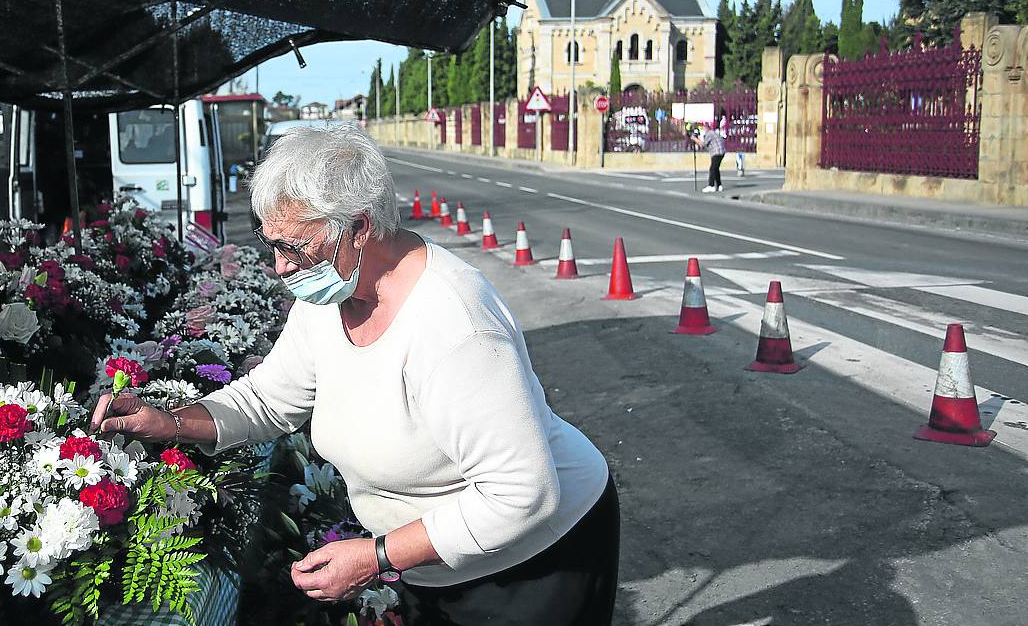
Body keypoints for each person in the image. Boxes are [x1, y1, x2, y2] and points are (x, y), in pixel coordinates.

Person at [91, 123, 619, 625]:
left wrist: (377, 555)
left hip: (532, 565)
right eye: (270, 244)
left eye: (292, 247)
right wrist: (171, 422)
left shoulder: (455, 325)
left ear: (360, 228)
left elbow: (521, 493)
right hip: (438, 566)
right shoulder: (328, 299)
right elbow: (269, 399)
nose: (278, 266)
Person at [690, 120, 726, 193]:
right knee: (716, 169)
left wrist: (695, 139)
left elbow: (703, 145)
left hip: (717, 152)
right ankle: (719, 185)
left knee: (712, 169)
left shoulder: (709, 134)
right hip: (721, 152)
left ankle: (711, 185)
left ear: (706, 128)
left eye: (703, 128)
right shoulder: (713, 133)